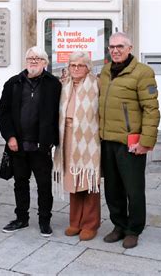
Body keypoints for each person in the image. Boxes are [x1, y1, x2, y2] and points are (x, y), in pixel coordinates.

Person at [99, 32, 160, 248]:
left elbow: (152, 109)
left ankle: (134, 229)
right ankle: (119, 225)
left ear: (130, 48)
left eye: (120, 46)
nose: (115, 50)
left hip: (131, 143)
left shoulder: (143, 72)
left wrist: (146, 141)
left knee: (133, 189)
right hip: (107, 140)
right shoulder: (105, 71)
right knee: (112, 189)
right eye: (111, 47)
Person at [0, 46, 62, 237]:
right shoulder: (13, 83)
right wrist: (10, 137)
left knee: (44, 185)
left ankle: (44, 221)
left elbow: (59, 114)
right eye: (30, 58)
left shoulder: (54, 85)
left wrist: (51, 140)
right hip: (18, 145)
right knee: (20, 183)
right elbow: (3, 113)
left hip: (41, 147)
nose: (33, 61)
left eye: (38, 58)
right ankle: (21, 218)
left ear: (45, 62)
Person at [53, 51, 101, 241]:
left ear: (88, 67)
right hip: (68, 136)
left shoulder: (96, 84)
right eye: (72, 65)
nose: (76, 68)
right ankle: (75, 222)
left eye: (80, 65)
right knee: (73, 180)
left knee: (89, 181)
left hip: (90, 138)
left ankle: (90, 224)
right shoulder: (64, 84)